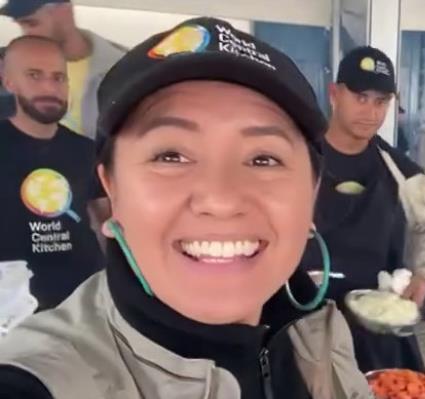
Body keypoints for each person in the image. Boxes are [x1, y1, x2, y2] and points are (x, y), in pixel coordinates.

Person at [0, 17, 372, 399]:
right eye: (171, 155)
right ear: (112, 190)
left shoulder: (320, 334)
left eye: (263, 159)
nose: (220, 199)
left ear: (311, 192)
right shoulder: (41, 380)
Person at [301, 46, 425, 372]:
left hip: (378, 331)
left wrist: (424, 275)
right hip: (305, 327)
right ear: (334, 93)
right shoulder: (297, 160)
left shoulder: (403, 173)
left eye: (381, 101)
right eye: (361, 97)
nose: (370, 111)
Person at [0, 35, 108, 311]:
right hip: (12, 316)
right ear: (7, 80)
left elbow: (109, 224)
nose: (50, 87)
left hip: (86, 308)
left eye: (59, 77)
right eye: (34, 75)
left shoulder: (87, 150)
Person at [1, 0, 125, 138]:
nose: (27, 34)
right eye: (22, 26)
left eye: (32, 23)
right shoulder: (11, 66)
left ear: (64, 11)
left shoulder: (127, 69)